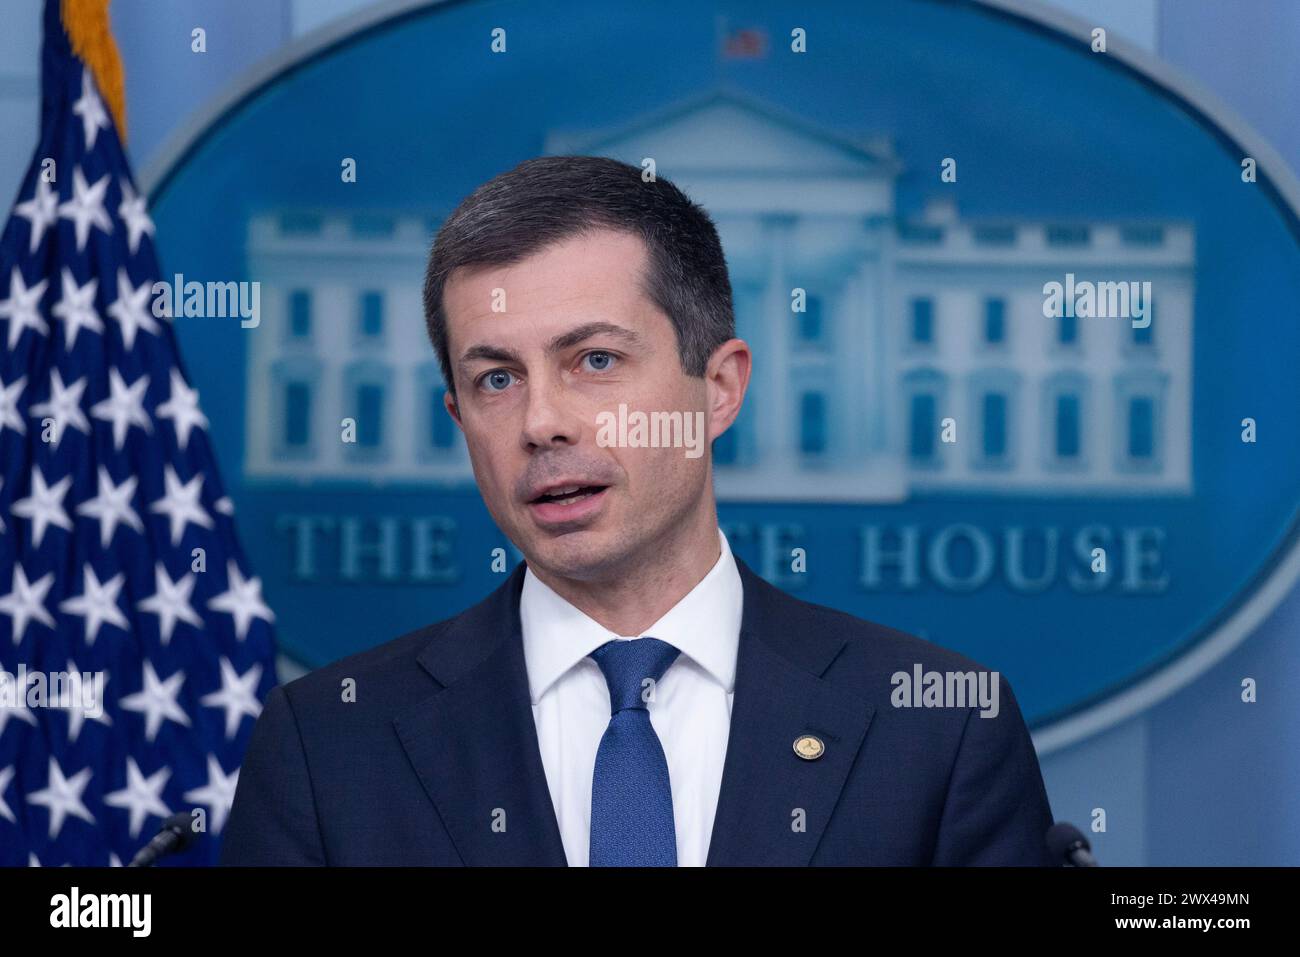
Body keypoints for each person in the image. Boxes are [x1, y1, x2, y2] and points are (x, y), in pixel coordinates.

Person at [221, 155, 1056, 866]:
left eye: (594, 360)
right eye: (496, 379)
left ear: (718, 388)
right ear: (460, 418)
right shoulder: (325, 746)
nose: (542, 421)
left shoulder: (941, 729)